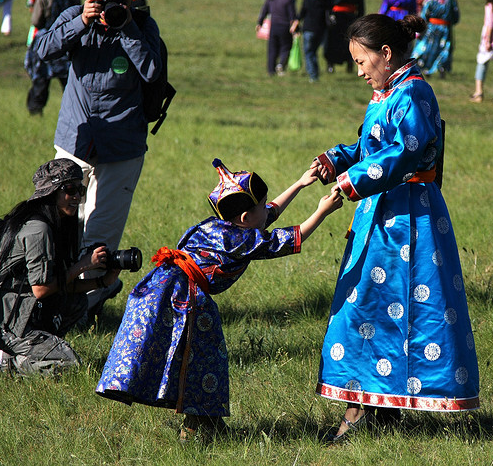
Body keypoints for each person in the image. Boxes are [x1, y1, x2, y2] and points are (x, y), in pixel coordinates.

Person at [312, 14, 480, 443]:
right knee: (367, 304)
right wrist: (339, 158)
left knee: (395, 305)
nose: (359, 70)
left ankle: (366, 408)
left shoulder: (415, 92)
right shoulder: (385, 94)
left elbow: (404, 153)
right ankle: (374, 402)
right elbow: (373, 147)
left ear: (386, 54)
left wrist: (353, 180)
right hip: (379, 215)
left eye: (362, 60)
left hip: (409, 220)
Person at [96, 159, 343, 441]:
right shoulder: (238, 240)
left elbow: (267, 214)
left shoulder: (223, 226)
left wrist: (300, 183)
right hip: (182, 299)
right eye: (262, 205)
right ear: (246, 218)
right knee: (203, 358)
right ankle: (195, 426)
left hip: (166, 289)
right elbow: (282, 241)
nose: (268, 208)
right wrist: (321, 212)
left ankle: (206, 419)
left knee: (196, 357)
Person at [34, 0, 161, 313]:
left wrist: (126, 30)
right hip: (75, 139)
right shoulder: (77, 16)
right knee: (63, 223)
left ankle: (87, 304)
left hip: (120, 148)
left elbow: (152, 71)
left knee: (99, 233)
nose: (111, 5)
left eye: (120, 0)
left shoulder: (143, 28)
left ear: (133, 1)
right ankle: (55, 294)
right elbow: (41, 50)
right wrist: (82, 22)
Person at [0, 159, 121, 376]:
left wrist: (101, 282)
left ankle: (37, 347)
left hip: (24, 310)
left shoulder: (55, 223)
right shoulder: (38, 229)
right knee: (71, 367)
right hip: (5, 324)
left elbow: (58, 284)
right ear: (51, 192)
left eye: (80, 189)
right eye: (69, 190)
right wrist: (83, 266)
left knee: (77, 303)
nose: (77, 197)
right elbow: (41, 289)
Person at [25, 0, 79, 116]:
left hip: (48, 42)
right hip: (69, 43)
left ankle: (35, 111)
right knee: (70, 84)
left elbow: (36, 20)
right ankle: (73, 113)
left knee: (41, 81)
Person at [412, 0, 460, 78]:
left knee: (428, 48)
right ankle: (440, 69)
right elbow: (456, 16)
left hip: (432, 28)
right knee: (444, 48)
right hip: (445, 28)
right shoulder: (450, 0)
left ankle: (426, 68)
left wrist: (420, 29)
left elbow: (424, 16)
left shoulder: (429, 1)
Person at [257, 0, 296, 76]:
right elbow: (292, 15)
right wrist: (295, 27)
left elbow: (264, 10)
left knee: (272, 49)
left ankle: (271, 71)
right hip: (285, 27)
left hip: (273, 26)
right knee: (286, 47)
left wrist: (259, 23)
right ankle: (281, 64)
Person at [298, 0, 328, 82]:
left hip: (309, 30)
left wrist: (295, 24)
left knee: (309, 53)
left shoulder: (307, 1)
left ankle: (312, 75)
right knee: (313, 52)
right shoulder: (324, 1)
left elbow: (301, 14)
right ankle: (315, 73)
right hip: (320, 31)